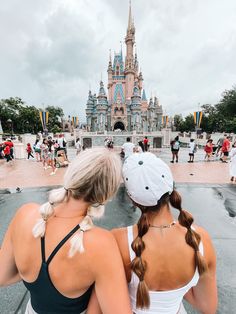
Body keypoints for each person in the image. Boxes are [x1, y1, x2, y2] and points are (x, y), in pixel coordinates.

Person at [0, 148, 132, 314]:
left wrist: (32, 272)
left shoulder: (25, 214)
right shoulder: (101, 244)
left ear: (72, 174)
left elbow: (2, 276)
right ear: (106, 195)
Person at [112, 153, 217, 314]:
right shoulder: (200, 239)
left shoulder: (117, 240)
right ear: (171, 187)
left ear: (132, 199)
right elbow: (207, 307)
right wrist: (181, 287)